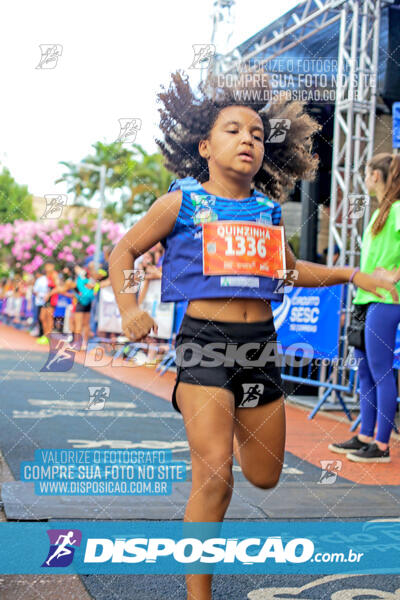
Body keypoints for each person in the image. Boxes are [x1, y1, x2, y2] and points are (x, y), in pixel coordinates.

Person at [109, 71, 397, 600]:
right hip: (203, 345)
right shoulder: (182, 202)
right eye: (234, 131)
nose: (248, 140)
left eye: (258, 135)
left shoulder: (267, 212)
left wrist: (358, 276)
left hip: (260, 349)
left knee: (263, 476)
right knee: (215, 480)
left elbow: (290, 273)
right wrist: (130, 307)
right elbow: (122, 251)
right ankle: (199, 593)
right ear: (204, 145)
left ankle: (219, 440)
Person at [329, 153, 400, 463]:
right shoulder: (380, 213)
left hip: (385, 301)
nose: (365, 177)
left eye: (368, 172)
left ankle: (381, 446)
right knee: (366, 373)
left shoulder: (397, 210)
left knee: (382, 372)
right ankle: (364, 436)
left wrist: (395, 275)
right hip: (364, 300)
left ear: (377, 176)